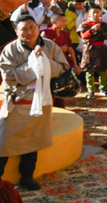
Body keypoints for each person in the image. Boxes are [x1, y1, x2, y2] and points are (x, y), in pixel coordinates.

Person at [0, 14, 68, 191]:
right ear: (16, 31)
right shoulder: (10, 50)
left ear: (38, 27)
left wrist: (44, 62)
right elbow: (9, 77)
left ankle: (27, 177)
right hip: (17, 103)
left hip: (42, 103)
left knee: (33, 143)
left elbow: (63, 68)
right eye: (24, 29)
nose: (29, 32)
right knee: (3, 144)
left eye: (32, 27)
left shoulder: (50, 46)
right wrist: (32, 65)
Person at [78, 6, 107, 98]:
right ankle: (91, 90)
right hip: (90, 49)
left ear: (101, 13)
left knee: (103, 69)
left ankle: (103, 88)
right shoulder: (85, 24)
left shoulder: (104, 24)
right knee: (89, 70)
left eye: (98, 12)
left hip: (101, 48)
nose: (96, 14)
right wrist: (92, 30)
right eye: (94, 12)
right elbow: (83, 36)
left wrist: (100, 29)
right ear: (89, 13)